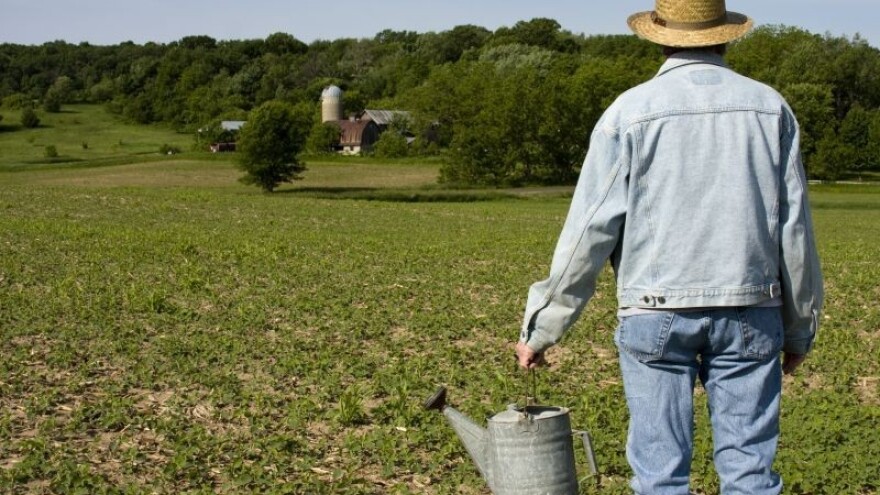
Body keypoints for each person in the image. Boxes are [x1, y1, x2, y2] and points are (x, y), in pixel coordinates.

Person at [514, 0, 824, 493]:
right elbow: (795, 231)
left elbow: (589, 231)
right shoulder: (770, 108)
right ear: (725, 36)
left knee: (660, 476)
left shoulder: (629, 111)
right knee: (750, 474)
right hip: (752, 310)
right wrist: (799, 329)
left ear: (660, 38)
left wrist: (542, 327)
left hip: (653, 310)